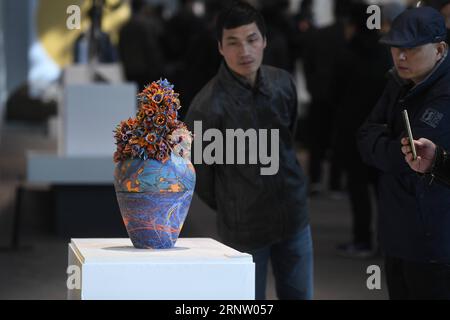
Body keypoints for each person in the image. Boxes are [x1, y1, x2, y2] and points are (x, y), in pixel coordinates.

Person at [184, 1, 312, 300]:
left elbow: (287, 138)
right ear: (220, 47)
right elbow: (200, 176)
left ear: (264, 41)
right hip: (243, 228)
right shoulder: (206, 107)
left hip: (294, 216)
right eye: (233, 43)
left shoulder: (283, 83)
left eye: (252, 40)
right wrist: (235, 203)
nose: (245, 51)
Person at [358, 7, 450, 299]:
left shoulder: (444, 93)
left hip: (433, 241)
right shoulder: (399, 82)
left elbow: (406, 158)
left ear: (439, 49)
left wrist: (384, 144)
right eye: (395, 48)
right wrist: (386, 145)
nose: (400, 56)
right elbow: (364, 136)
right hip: (398, 232)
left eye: (410, 49)